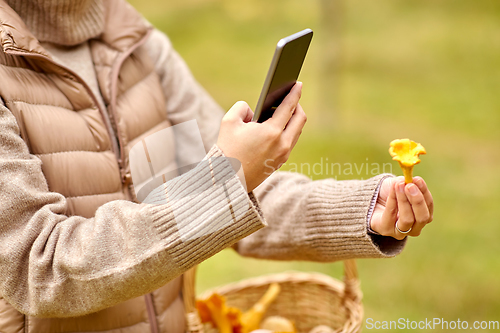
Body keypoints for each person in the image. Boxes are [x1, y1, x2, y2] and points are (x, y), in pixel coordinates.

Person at [0, 0, 434, 332]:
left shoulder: (135, 41)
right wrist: (224, 182)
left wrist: (367, 209)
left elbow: (239, 191)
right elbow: (38, 266)